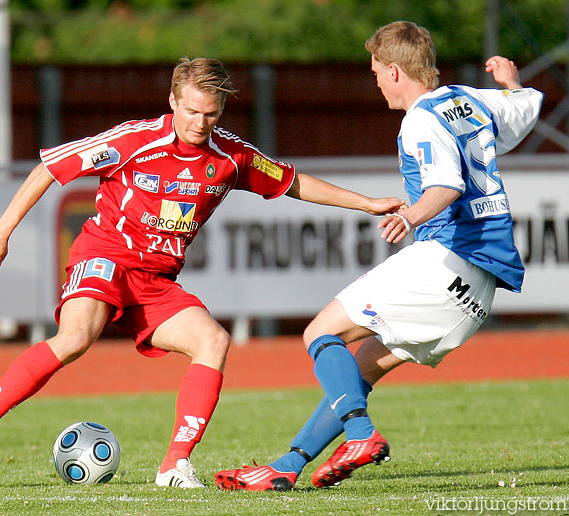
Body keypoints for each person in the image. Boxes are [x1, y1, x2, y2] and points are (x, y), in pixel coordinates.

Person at [0, 57, 404, 488]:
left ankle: (175, 464)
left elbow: (292, 182)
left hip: (156, 282)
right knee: (77, 336)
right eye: (193, 111)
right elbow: (49, 167)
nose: (200, 123)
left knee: (214, 341)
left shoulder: (229, 157)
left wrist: (366, 203)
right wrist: (1, 231)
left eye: (212, 115)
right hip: (105, 256)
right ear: (173, 102)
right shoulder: (134, 140)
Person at [214, 21, 543, 491]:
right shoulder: (473, 99)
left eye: (374, 73)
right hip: (478, 294)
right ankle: (286, 466)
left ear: (393, 71)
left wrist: (411, 217)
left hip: (447, 259)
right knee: (361, 369)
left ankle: (361, 434)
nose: (374, 82)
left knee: (320, 331)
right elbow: (524, 106)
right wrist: (511, 83)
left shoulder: (421, 119)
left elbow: (445, 185)